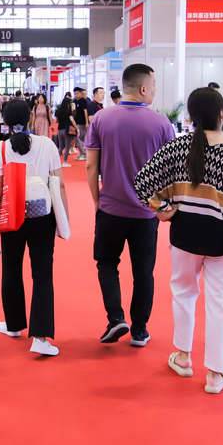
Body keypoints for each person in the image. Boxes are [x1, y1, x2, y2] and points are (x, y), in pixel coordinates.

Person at [135, 88, 223, 394]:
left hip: (184, 235)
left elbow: (142, 182)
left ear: (191, 116)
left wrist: (162, 210)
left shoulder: (176, 148)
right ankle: (216, 374)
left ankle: (183, 357)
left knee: (183, 294)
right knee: (220, 304)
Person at [86, 64, 175, 345]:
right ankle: (139, 330)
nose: (155, 90)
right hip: (146, 213)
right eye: (154, 85)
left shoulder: (101, 118)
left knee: (106, 263)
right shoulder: (161, 124)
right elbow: (170, 172)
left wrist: (97, 200)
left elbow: (91, 166)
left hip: (110, 209)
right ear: (144, 88)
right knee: (143, 272)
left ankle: (116, 318)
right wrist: (163, 206)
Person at [0, 100, 68, 358]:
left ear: (5, 121)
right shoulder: (47, 145)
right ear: (31, 116)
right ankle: (40, 337)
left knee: (11, 268)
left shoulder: (1, 149)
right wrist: (63, 219)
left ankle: (13, 325)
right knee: (42, 273)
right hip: (42, 216)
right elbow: (59, 184)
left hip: (12, 217)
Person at [54, 96, 78, 167]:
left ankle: (55, 161)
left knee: (61, 147)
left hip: (59, 130)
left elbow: (57, 120)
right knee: (67, 147)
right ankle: (65, 162)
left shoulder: (58, 111)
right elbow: (72, 120)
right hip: (66, 130)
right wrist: (76, 128)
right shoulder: (68, 111)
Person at [73, 87, 89, 161]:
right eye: (75, 94)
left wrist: (86, 122)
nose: (76, 95)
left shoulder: (83, 101)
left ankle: (84, 154)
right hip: (76, 123)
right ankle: (82, 153)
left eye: (77, 93)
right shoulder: (75, 101)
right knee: (78, 138)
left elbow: (85, 112)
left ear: (80, 93)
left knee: (80, 138)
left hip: (82, 123)